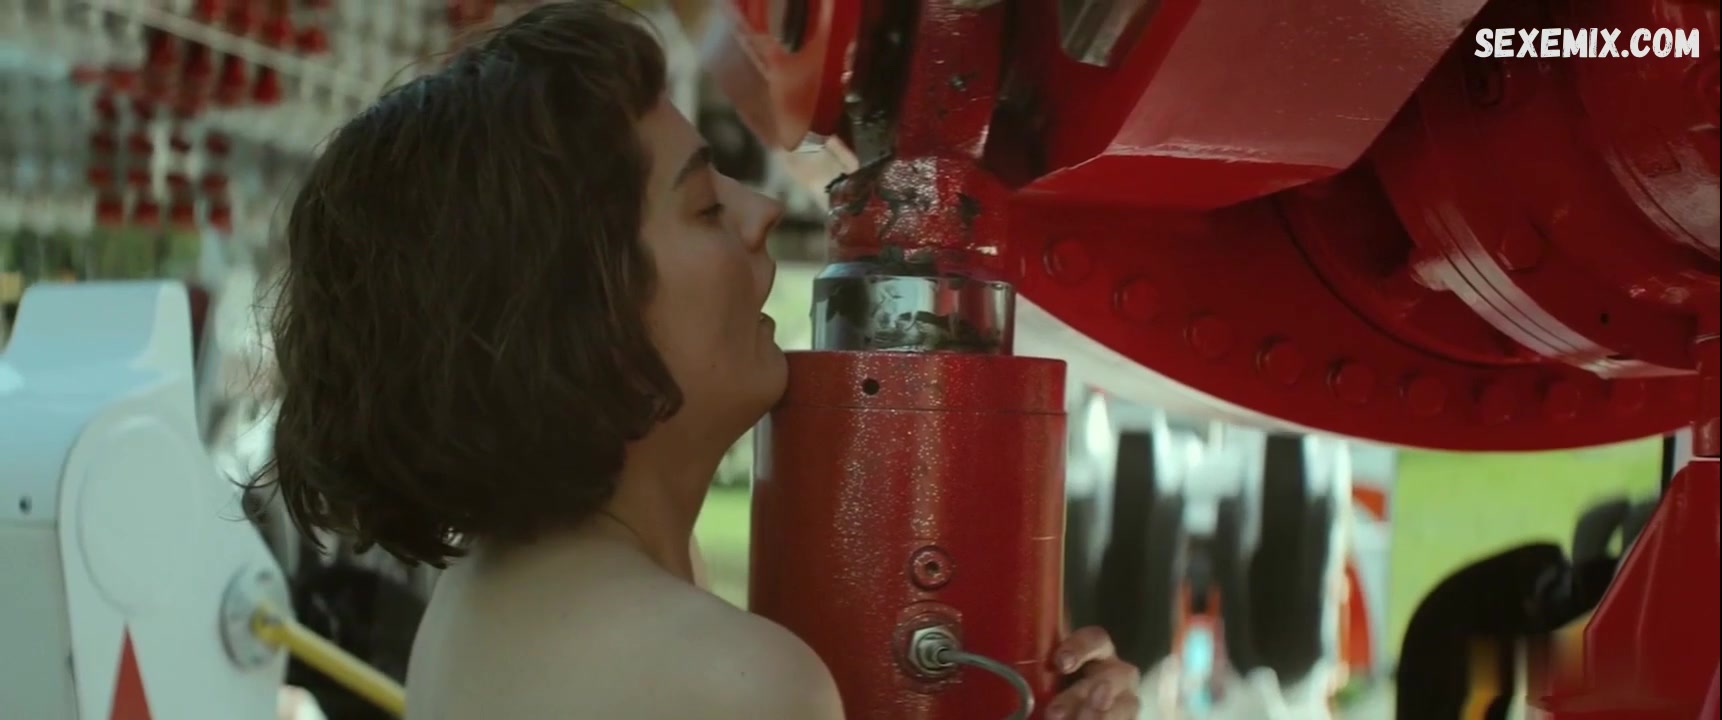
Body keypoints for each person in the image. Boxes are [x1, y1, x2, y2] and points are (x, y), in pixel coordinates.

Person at [254, 2, 1142, 719]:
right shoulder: (726, 682)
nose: (762, 210)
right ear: (581, 316)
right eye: (706, 208)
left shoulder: (495, 594)